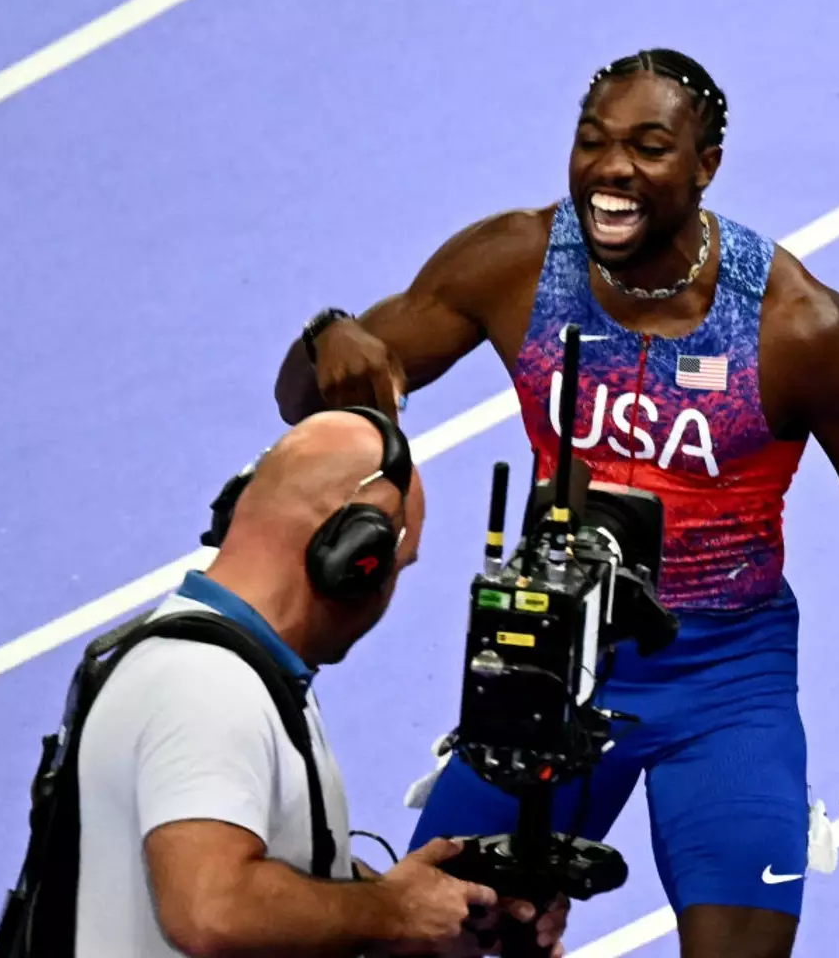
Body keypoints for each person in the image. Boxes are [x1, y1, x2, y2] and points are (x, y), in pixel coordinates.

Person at [274, 48, 839, 958]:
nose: (611, 169)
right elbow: (310, 393)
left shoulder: (796, 329)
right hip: (545, 667)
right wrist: (326, 337)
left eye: (648, 146)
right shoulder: (512, 266)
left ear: (705, 166)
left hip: (725, 685)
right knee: (422, 937)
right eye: (592, 141)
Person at [73, 408, 569, 957]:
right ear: (353, 558)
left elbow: (277, 873)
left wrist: (425, 915)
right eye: (394, 568)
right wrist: (393, 910)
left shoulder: (239, 667)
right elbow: (212, 909)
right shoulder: (207, 686)